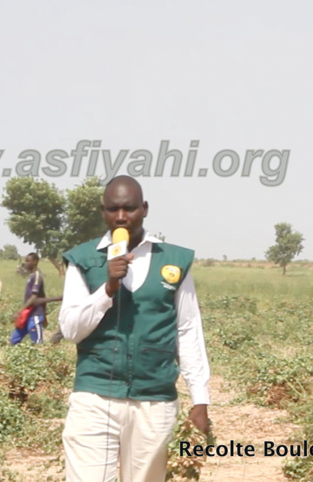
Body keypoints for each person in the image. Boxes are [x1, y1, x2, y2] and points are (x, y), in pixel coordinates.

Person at [58, 175, 211, 482]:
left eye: (129, 208)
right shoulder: (84, 259)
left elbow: (187, 330)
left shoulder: (174, 261)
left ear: (145, 208)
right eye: (113, 209)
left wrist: (200, 399)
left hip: (154, 401)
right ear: (103, 211)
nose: (121, 217)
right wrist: (108, 288)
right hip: (96, 398)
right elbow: (71, 329)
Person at [9, 253, 61, 345]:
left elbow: (34, 297)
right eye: (25, 261)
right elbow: (42, 295)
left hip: (35, 314)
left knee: (37, 343)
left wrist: (19, 311)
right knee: (14, 340)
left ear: (35, 262)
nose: (26, 263)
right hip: (28, 313)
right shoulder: (31, 276)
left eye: (28, 261)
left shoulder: (37, 276)